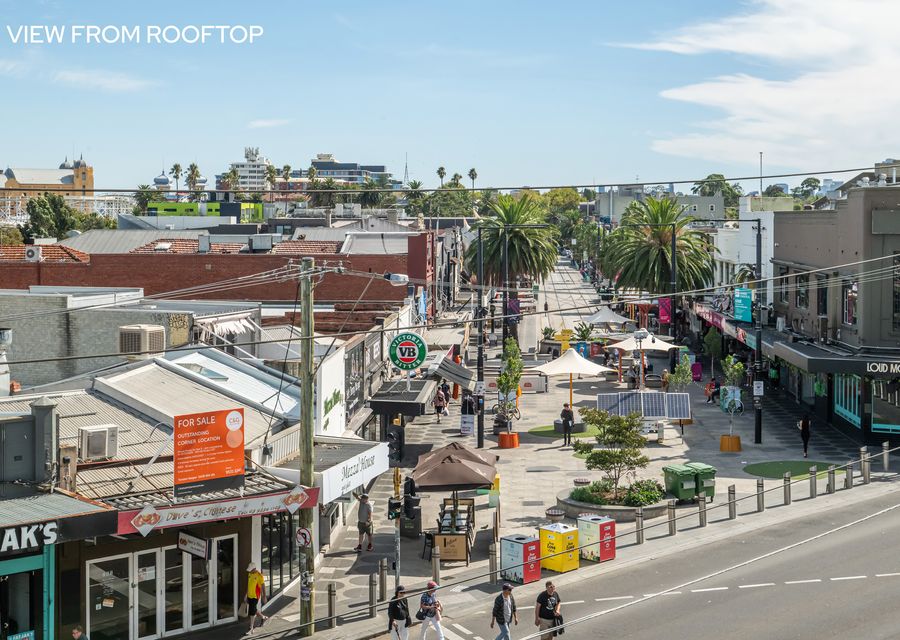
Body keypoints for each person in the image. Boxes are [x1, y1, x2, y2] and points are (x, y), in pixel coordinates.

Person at [244, 562, 268, 634]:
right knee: (253, 609)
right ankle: (263, 617)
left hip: (255, 596)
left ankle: (251, 629)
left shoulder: (259, 576)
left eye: (251, 570)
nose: (250, 571)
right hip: (249, 596)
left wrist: (264, 596)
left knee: (252, 612)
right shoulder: (249, 574)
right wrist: (246, 595)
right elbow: (248, 585)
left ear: (254, 569)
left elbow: (263, 586)